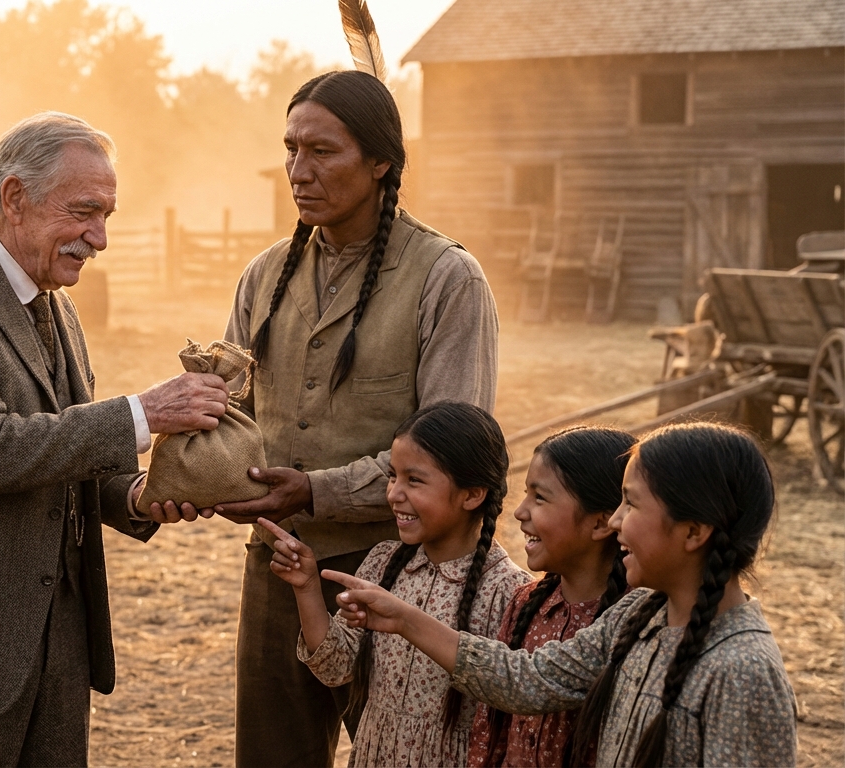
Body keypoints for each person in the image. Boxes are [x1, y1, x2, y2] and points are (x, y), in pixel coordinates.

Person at [0, 112, 230, 767]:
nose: (101, 237)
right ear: (14, 198)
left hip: (59, 638)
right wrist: (144, 414)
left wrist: (140, 496)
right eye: (85, 211)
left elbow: (67, 453)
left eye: (108, 214)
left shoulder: (59, 303)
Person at [204, 69, 500, 766]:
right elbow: (229, 418)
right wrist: (204, 466)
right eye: (290, 149)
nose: (298, 171)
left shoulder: (446, 277)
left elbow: (453, 458)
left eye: (322, 152)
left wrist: (316, 489)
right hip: (277, 562)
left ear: (381, 162)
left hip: (402, 576)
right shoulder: (263, 276)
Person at [325, 422, 798, 767]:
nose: (615, 522)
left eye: (630, 504)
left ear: (694, 531)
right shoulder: (639, 614)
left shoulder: (742, 670)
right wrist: (405, 618)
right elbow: (527, 680)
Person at [261, 401, 530, 767]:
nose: (393, 494)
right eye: (392, 476)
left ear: (472, 494)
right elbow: (336, 667)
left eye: (414, 480)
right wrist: (306, 586)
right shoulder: (383, 563)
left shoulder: (509, 593)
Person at [467, 427, 634, 768]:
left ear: (602, 523)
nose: (520, 511)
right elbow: (490, 730)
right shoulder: (526, 604)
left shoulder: (633, 620)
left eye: (539, 498)